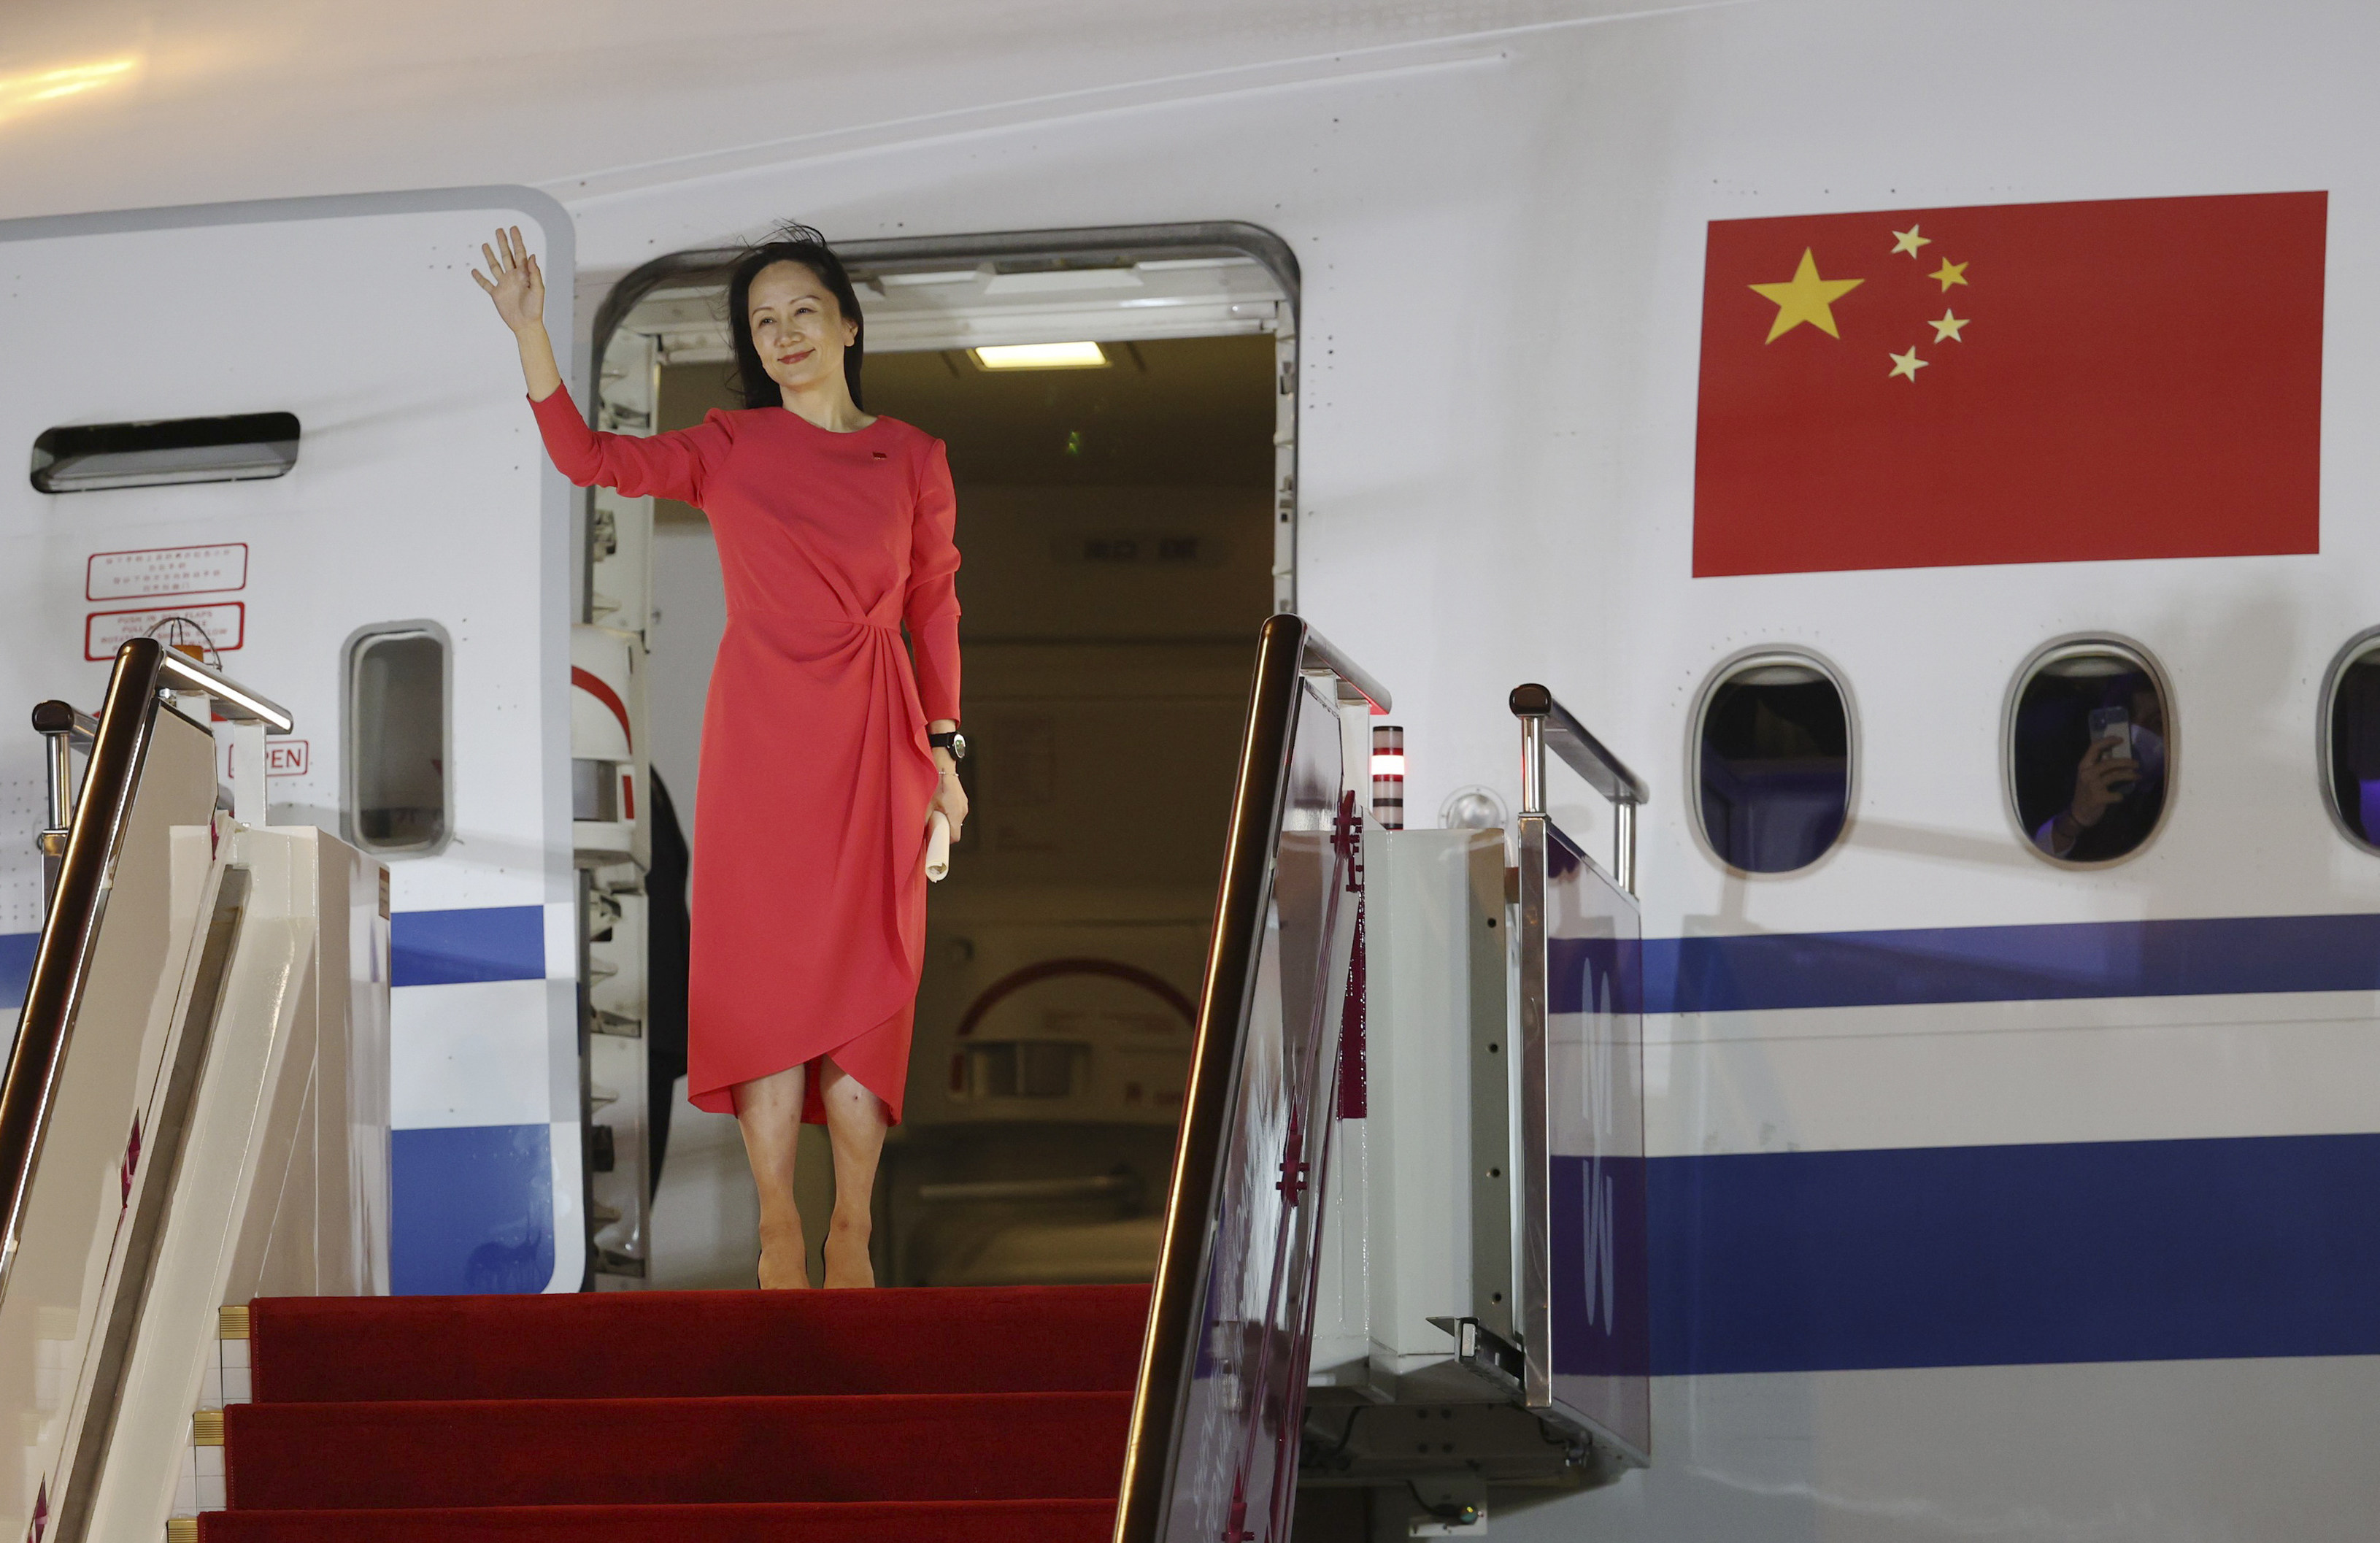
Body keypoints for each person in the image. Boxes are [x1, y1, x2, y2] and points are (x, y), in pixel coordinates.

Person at [474, 223, 966, 1289]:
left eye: (801, 312)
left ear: (846, 321)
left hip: (880, 738)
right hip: (762, 743)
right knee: (767, 986)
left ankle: (854, 1229)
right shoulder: (728, 445)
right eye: (762, 322)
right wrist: (530, 336)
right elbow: (587, 457)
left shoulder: (913, 456)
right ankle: (780, 1221)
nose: (784, 334)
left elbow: (935, 609)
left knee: (869, 983)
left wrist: (948, 757)